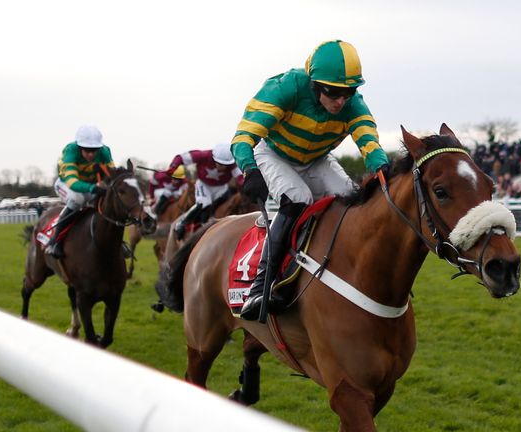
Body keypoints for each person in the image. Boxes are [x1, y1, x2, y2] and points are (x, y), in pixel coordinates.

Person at [231, 40, 390, 320]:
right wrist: (249, 170)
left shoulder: (353, 104)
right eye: (333, 92)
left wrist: (382, 168)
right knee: (298, 198)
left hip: (317, 158)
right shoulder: (285, 87)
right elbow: (243, 137)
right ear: (315, 85)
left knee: (350, 198)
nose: (341, 101)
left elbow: (369, 143)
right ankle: (260, 287)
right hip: (274, 154)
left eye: (348, 92)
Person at [46, 125, 115, 258]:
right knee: (78, 199)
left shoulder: (105, 151)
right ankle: (55, 240)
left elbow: (112, 175)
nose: (91, 154)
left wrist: (107, 177)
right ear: (79, 147)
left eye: (94, 150)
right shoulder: (71, 151)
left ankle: (116, 242)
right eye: (87, 150)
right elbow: (73, 182)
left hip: (90, 184)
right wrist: (92, 188)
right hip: (66, 184)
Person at [165, 143, 242, 240]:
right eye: (220, 164)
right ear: (214, 158)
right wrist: (173, 166)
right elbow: (181, 157)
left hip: (221, 187)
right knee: (204, 202)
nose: (223, 167)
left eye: (226, 165)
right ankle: (183, 223)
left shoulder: (233, 164)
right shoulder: (203, 155)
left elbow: (240, 177)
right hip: (204, 185)